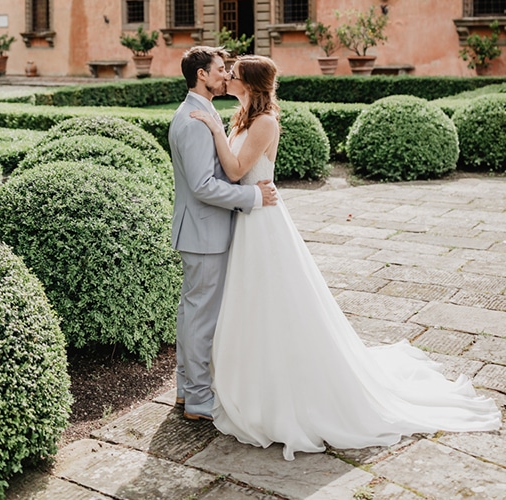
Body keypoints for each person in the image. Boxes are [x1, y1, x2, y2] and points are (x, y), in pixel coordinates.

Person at [190, 55, 501, 460]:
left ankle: (284, 389)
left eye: (233, 74)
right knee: (251, 303)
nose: (227, 77)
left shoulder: (264, 122)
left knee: (274, 303)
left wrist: (213, 128)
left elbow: (234, 172)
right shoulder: (243, 116)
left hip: (262, 224)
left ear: (248, 83)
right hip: (248, 220)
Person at [169, 46, 277, 423]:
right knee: (201, 318)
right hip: (204, 232)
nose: (225, 75)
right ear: (202, 75)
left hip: (205, 230)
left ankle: (187, 389)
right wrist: (253, 196)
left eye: (229, 72)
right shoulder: (195, 120)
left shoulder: (206, 112)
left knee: (192, 313)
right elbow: (203, 186)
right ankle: (198, 400)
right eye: (219, 70)